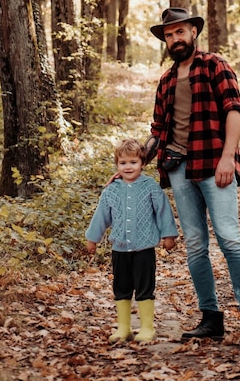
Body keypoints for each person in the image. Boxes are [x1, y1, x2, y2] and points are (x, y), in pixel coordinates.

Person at [145, 7, 240, 350]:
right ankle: (211, 319)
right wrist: (135, 162)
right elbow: (157, 130)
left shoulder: (215, 65)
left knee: (229, 239)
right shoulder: (166, 80)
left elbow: (234, 110)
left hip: (214, 163)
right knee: (195, 245)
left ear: (193, 32)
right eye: (169, 34)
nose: (175, 39)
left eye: (180, 32)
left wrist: (228, 157)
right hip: (178, 169)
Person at [85, 138, 178, 343]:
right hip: (119, 248)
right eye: (123, 163)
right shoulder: (111, 190)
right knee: (121, 287)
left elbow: (163, 212)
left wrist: (168, 235)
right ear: (117, 165)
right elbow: (102, 216)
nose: (128, 167)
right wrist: (93, 239)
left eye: (133, 162)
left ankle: (147, 328)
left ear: (142, 163)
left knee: (145, 287)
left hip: (144, 248)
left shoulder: (150, 187)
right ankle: (124, 328)